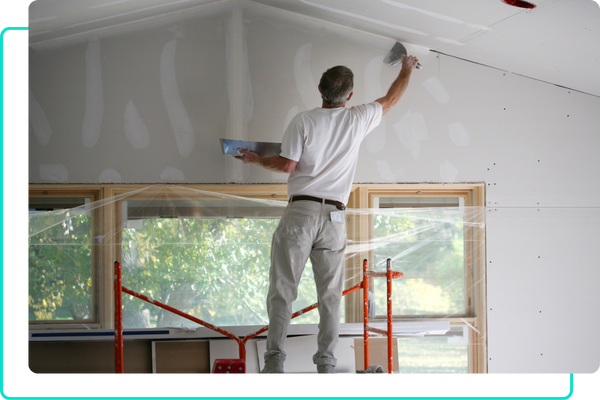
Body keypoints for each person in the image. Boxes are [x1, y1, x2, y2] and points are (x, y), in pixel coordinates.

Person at [235, 55, 419, 377]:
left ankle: (275, 364)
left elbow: (286, 165)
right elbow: (391, 98)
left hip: (301, 213)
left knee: (283, 291)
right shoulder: (358, 118)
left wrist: (257, 159)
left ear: (319, 88)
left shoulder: (303, 121)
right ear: (349, 96)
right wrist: (406, 68)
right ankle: (327, 368)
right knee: (330, 298)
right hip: (335, 217)